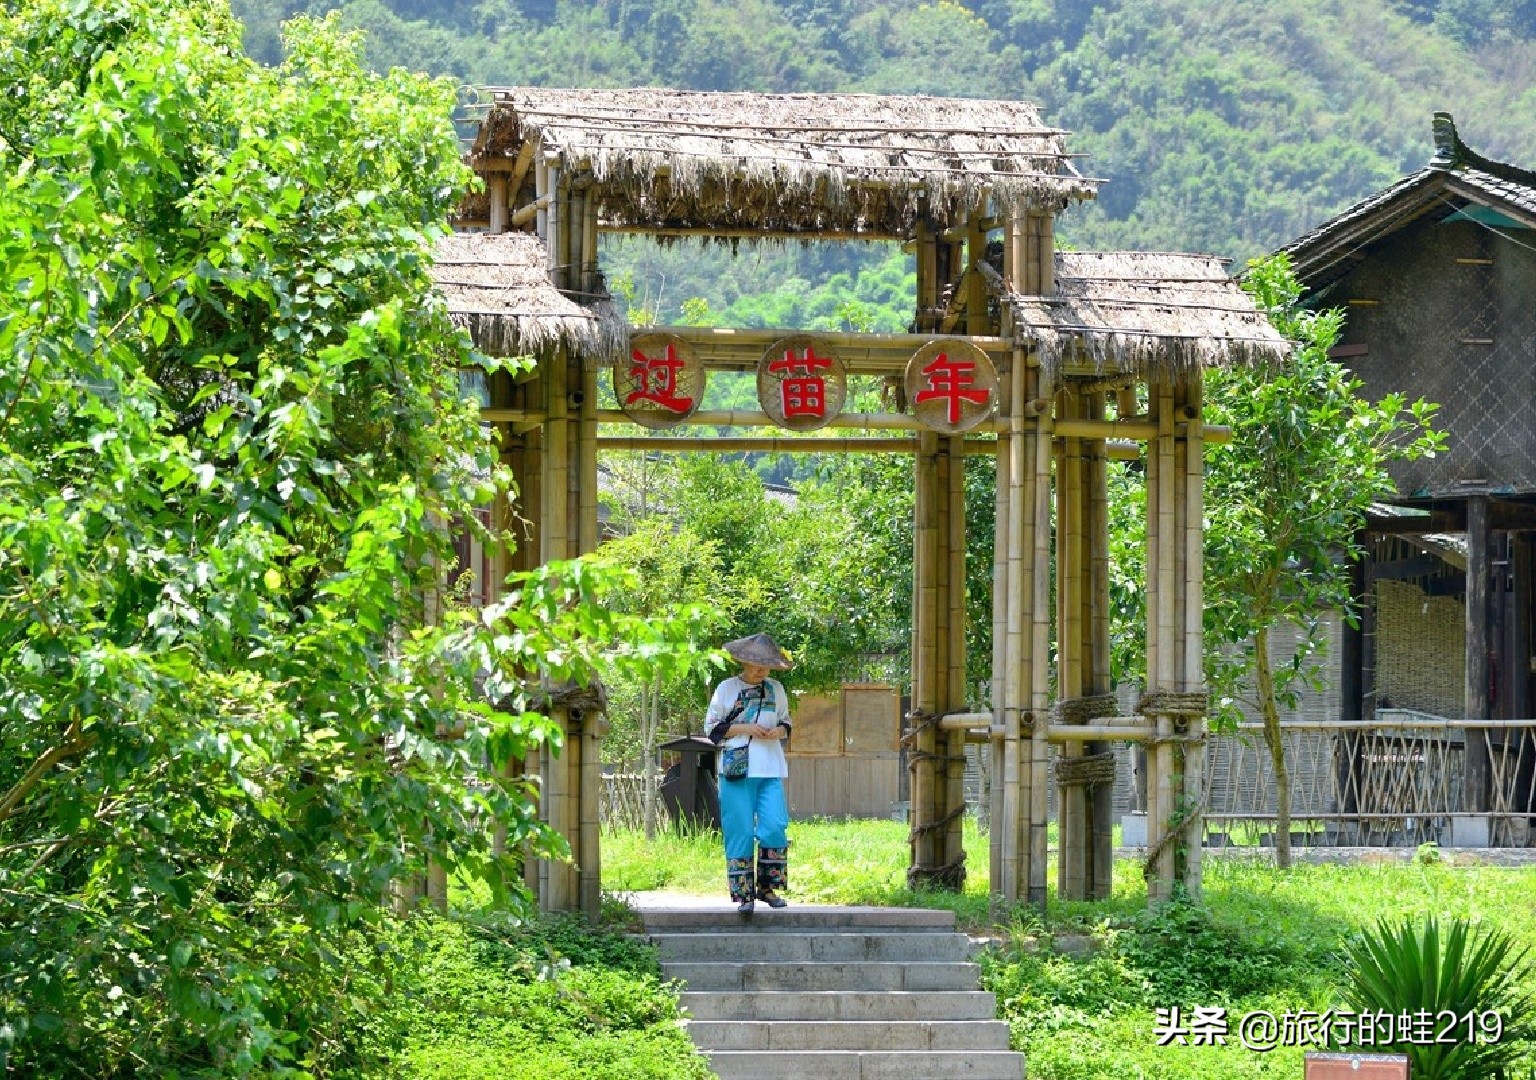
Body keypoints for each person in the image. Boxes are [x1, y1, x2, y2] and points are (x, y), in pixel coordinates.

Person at [705, 632, 793, 914]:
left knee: (775, 825)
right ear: (744, 662)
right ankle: (744, 895)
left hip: (770, 766)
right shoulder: (727, 689)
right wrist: (746, 728)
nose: (761, 671)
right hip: (736, 768)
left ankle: (767, 887)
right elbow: (712, 729)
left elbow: (786, 723)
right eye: (757, 666)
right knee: (740, 830)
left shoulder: (776, 689)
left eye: (766, 667)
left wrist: (778, 731)